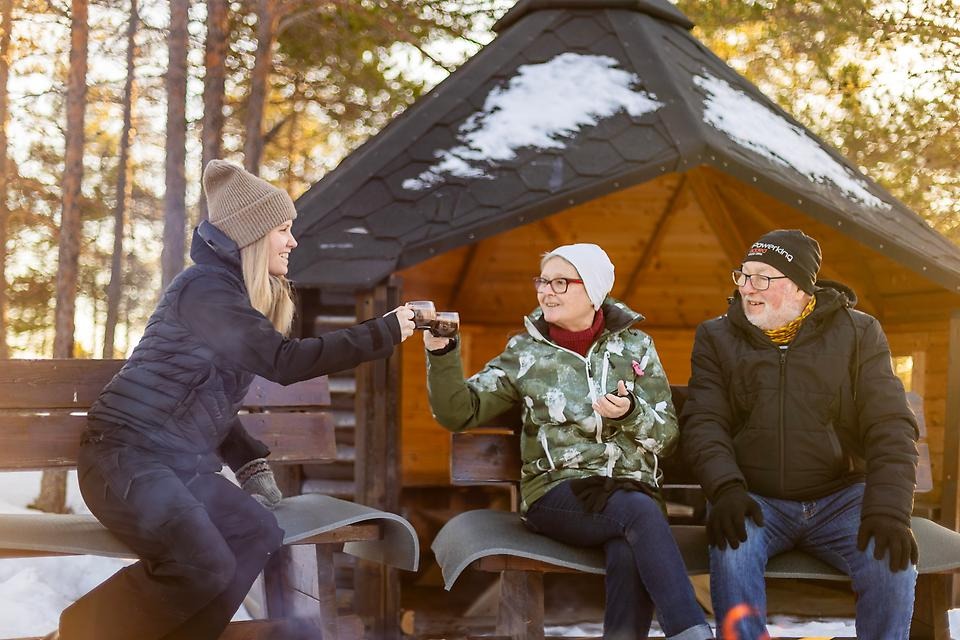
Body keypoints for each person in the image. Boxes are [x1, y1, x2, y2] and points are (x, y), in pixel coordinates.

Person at [58, 160, 416, 640]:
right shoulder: (204, 290)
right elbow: (285, 363)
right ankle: (78, 632)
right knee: (201, 562)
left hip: (177, 466)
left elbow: (207, 396)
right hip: (124, 459)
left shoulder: (229, 295)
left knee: (257, 534)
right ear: (252, 234)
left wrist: (247, 462)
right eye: (283, 230)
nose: (292, 242)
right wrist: (386, 329)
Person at [424, 243, 713, 640]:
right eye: (543, 281)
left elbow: (667, 437)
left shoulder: (636, 348)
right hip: (558, 493)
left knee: (630, 544)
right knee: (640, 513)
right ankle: (692, 632)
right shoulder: (525, 354)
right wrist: (443, 353)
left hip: (630, 490)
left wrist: (629, 414)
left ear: (593, 291)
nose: (547, 291)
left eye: (561, 281)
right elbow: (459, 412)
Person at [680, 229, 919, 640]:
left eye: (762, 278)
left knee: (889, 558)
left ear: (799, 288)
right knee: (732, 549)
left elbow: (890, 424)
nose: (747, 289)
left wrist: (889, 509)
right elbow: (705, 421)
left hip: (841, 498)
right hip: (756, 499)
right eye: (743, 275)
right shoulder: (716, 337)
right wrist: (726, 489)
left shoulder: (858, 334)